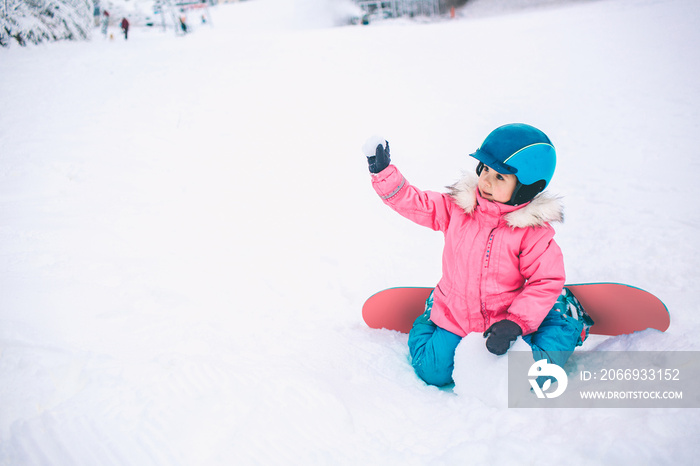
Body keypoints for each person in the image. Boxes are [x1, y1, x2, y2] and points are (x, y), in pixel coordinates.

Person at [365, 123, 575, 387]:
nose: (486, 180)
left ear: (526, 187)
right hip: (456, 315)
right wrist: (385, 175)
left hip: (506, 321)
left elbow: (545, 281)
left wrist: (516, 323)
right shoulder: (459, 208)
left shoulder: (532, 233)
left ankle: (563, 314)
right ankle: (433, 310)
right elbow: (417, 203)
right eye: (486, 169)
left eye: (500, 177)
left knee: (531, 378)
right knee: (432, 371)